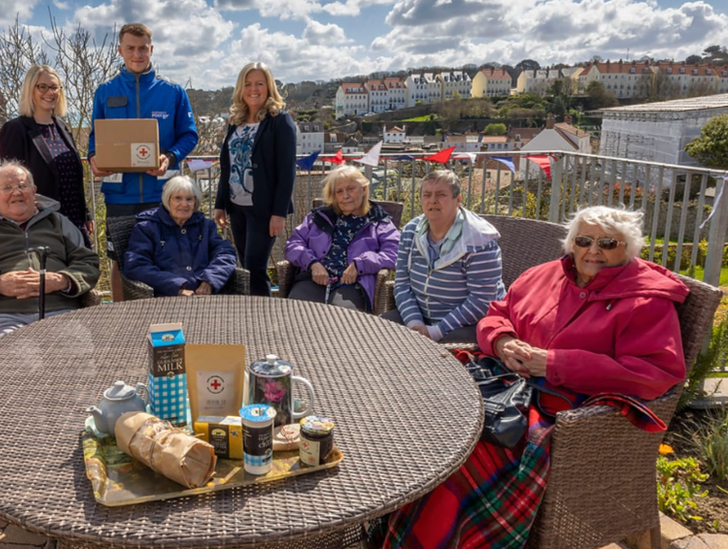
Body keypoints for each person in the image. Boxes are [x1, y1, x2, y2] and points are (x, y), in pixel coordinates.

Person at [367, 206, 688, 549]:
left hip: (560, 409)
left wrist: (554, 364)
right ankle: (389, 526)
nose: (593, 251)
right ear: (571, 243)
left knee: (462, 454)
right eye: (584, 240)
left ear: (628, 248)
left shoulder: (646, 300)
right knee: (413, 416)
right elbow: (496, 314)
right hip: (502, 381)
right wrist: (502, 342)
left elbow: (656, 374)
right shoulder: (544, 275)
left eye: (607, 243)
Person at [88, 23, 198, 300]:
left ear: (151, 49)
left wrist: (169, 156)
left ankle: (168, 314)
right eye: (130, 48)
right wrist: (92, 158)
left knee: (166, 256)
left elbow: (189, 135)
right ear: (120, 50)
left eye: (142, 48)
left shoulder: (173, 92)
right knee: (120, 259)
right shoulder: (105, 91)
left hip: (161, 195)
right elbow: (94, 137)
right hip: (119, 195)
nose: (137, 54)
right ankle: (120, 316)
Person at [0, 161, 100, 344]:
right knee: (15, 362)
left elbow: (89, 263)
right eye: (7, 187)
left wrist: (60, 280)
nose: (16, 192)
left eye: (22, 186)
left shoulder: (59, 223)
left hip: (61, 311)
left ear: (34, 191)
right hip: (3, 316)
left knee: (76, 356)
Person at [381, 170, 504, 343]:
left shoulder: (478, 240)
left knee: (436, 356)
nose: (433, 200)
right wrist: (414, 322)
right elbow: (402, 282)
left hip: (465, 324)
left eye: (441, 194)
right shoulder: (411, 231)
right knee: (375, 332)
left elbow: (482, 301)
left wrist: (436, 331)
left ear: (458, 200)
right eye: (427, 195)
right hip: (419, 317)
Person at [213, 62, 296, 297]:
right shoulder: (235, 121)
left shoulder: (280, 121)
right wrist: (220, 204)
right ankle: (253, 314)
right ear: (241, 88)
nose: (254, 89)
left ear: (269, 87)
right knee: (247, 267)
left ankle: (262, 319)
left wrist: (278, 213)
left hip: (264, 209)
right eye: (248, 84)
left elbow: (286, 171)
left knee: (255, 267)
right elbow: (227, 167)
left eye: (260, 83)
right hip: (236, 207)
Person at [283, 166, 399, 312]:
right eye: (339, 191)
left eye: (351, 189)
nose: (345, 196)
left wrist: (360, 264)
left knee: (344, 319)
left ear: (363, 190)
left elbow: (394, 254)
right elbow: (293, 245)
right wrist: (312, 263)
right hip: (314, 278)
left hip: (353, 283)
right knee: (296, 311)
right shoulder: (318, 217)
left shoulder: (379, 221)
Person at [0, 65, 92, 241]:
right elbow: (11, 184)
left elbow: (73, 176)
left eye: (54, 87)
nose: (50, 92)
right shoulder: (15, 129)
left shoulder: (62, 127)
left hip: (74, 221)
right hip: (40, 223)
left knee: (84, 267)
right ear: (30, 89)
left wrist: (86, 214)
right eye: (42, 87)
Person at [124, 176, 237, 297]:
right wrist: (175, 287)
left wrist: (209, 280)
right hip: (164, 297)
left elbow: (226, 253)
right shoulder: (147, 227)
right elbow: (137, 265)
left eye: (189, 199)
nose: (184, 204)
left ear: (195, 203)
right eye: (177, 198)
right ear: (168, 200)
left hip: (206, 295)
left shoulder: (206, 226)